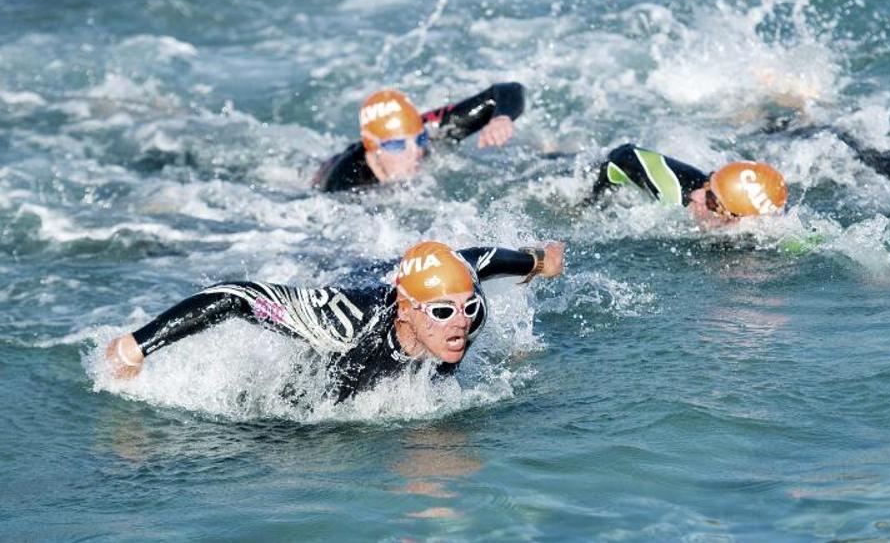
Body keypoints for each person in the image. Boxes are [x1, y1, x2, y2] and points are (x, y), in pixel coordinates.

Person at [104, 241, 564, 402]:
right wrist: (137, 345)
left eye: (466, 307)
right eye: (443, 312)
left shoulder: (465, 302)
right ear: (407, 311)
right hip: (347, 314)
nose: (459, 323)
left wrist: (540, 260)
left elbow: (481, 258)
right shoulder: (345, 320)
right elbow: (234, 297)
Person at [313, 82, 526, 192]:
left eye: (420, 139)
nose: (415, 151)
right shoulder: (344, 181)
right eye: (397, 145)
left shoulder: (434, 130)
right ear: (373, 148)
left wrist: (502, 119)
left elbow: (508, 90)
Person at [587, 143, 789, 226]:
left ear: (735, 220)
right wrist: (590, 204)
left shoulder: (744, 229)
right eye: (708, 187)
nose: (697, 197)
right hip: (586, 167)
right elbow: (622, 156)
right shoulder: (673, 187)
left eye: (711, 202)